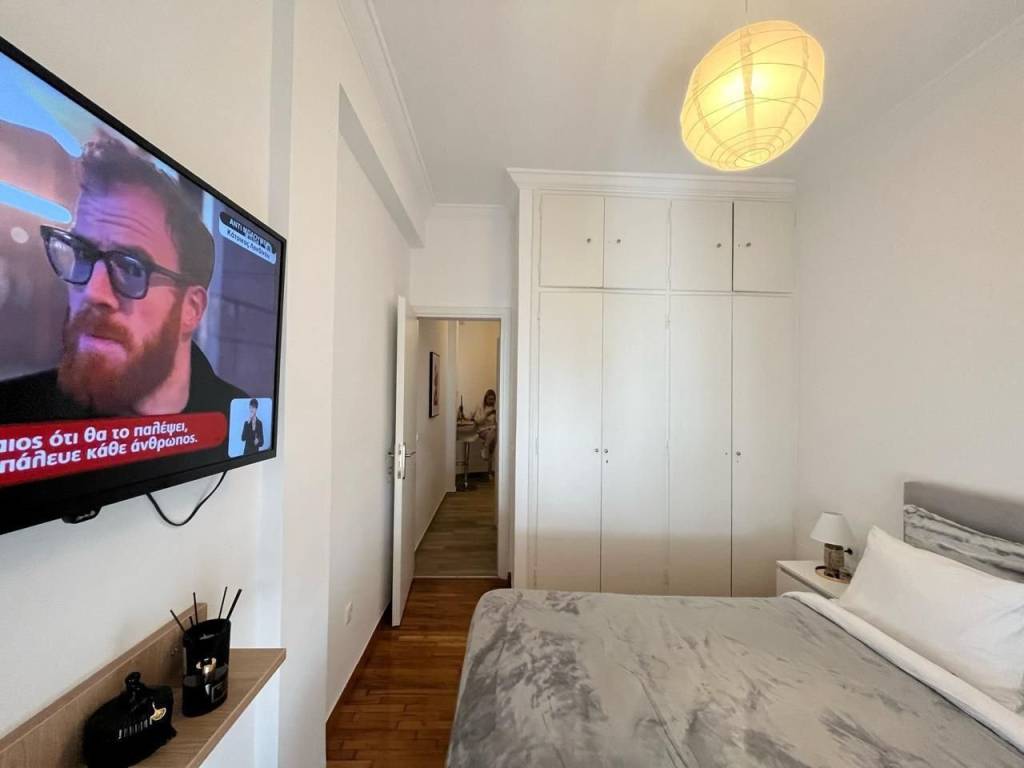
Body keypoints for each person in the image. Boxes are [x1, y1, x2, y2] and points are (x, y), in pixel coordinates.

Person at [0, 135, 246, 421]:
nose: (93, 292)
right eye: (82, 254)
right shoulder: (16, 414)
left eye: (131, 268)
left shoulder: (234, 412)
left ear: (191, 309)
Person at [471, 389, 498, 465]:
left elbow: (497, 422)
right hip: (482, 430)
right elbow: (478, 421)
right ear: (486, 398)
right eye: (489, 399)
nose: (491, 401)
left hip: (493, 430)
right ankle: (485, 448)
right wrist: (486, 414)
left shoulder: (496, 408)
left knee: (493, 439)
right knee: (493, 436)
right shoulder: (480, 407)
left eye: (493, 399)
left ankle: (489, 467)